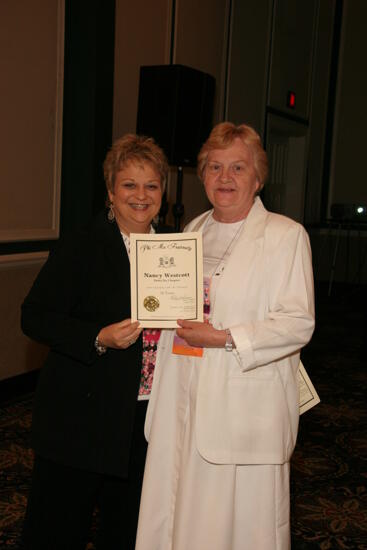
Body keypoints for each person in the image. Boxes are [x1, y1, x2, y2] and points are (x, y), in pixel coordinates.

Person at [135, 122, 315, 550]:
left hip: (242, 401)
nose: (225, 177)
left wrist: (224, 337)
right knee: (178, 509)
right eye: (214, 166)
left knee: (239, 524)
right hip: (182, 391)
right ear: (203, 174)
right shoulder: (192, 229)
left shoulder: (285, 236)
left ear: (258, 178)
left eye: (238, 167)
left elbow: (297, 322)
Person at [20, 134, 168, 549]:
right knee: (57, 531)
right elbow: (33, 316)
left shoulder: (176, 248)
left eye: (151, 185)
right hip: (81, 418)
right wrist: (97, 336)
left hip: (146, 421)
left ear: (163, 192)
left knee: (128, 532)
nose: (141, 195)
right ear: (110, 192)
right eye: (129, 185)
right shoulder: (82, 245)